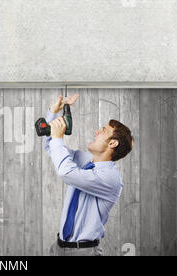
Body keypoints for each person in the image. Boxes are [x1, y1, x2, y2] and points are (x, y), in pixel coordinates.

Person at [45, 94, 134, 256]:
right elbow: (51, 147)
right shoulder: (86, 160)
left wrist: (59, 137)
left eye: (103, 131)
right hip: (58, 248)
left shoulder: (111, 178)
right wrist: (53, 112)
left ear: (112, 143)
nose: (97, 131)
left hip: (84, 252)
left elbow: (66, 172)